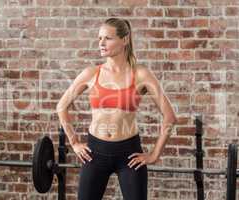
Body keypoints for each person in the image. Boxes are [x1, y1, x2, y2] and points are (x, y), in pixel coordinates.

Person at [56, 17, 177, 200]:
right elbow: (61, 106)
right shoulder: (91, 73)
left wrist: (154, 155)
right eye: (99, 39)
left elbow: (169, 116)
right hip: (95, 153)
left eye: (108, 38)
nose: (101, 43)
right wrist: (74, 143)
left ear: (125, 39)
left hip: (129, 154)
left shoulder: (141, 74)